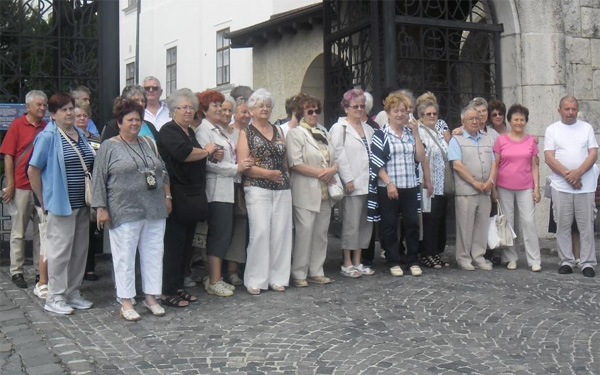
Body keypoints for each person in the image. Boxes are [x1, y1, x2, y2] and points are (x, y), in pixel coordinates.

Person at [92, 99, 170, 321]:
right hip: (124, 209)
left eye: (138, 119)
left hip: (154, 208)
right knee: (124, 256)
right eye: (130, 120)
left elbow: (162, 170)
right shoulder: (109, 146)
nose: (135, 123)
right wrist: (101, 207)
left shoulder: (147, 142)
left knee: (154, 254)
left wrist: (167, 195)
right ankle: (126, 301)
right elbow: (98, 178)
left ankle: (151, 297)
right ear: (119, 122)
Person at [28, 92, 95, 315]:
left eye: (70, 108)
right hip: (60, 204)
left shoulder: (79, 134)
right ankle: (55, 296)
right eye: (63, 109)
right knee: (59, 251)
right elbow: (33, 170)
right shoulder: (48, 137)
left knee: (79, 250)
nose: (69, 113)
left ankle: (73, 292)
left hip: (82, 203)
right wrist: (43, 200)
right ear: (53, 114)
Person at [157, 89, 219, 307]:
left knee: (186, 244)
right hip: (175, 194)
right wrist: (207, 151)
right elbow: (184, 154)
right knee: (173, 244)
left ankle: (179, 286)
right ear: (173, 110)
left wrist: (210, 153)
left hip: (191, 195)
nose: (188, 111)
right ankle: (166, 291)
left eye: (191, 107)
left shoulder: (189, 132)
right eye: (183, 107)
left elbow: (197, 154)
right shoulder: (168, 131)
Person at [196, 90, 252, 297]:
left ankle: (216, 277)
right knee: (218, 235)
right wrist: (237, 168)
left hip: (227, 189)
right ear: (204, 109)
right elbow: (210, 164)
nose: (220, 109)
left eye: (221, 105)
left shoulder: (219, 130)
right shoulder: (204, 130)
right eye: (215, 106)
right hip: (217, 190)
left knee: (223, 235)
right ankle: (214, 280)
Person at [236, 88, 292, 295]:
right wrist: (267, 174)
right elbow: (244, 165)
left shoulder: (278, 131)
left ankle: (278, 277)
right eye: (261, 105)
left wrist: (284, 177)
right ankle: (255, 279)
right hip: (257, 187)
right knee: (260, 232)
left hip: (282, 187)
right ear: (251, 109)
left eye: (268, 105)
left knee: (281, 233)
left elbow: (285, 160)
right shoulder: (246, 133)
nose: (265, 109)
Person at [368, 92, 426, 277]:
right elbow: (376, 162)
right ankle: (393, 260)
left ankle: (413, 260)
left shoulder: (411, 133)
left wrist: (416, 134)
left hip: (409, 185)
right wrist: (389, 183)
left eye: (403, 111)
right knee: (390, 225)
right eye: (396, 111)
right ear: (389, 113)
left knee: (411, 224)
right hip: (389, 186)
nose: (400, 114)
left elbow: (420, 157)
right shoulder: (380, 134)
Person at [544, 96, 598, 277]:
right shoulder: (552, 130)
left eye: (573, 109)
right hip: (561, 186)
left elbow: (593, 154)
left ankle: (587, 262)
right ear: (559, 110)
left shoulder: (586, 128)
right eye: (567, 109)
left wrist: (578, 173)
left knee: (586, 226)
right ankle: (566, 260)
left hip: (585, 185)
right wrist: (569, 176)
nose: (570, 112)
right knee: (563, 225)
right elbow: (549, 157)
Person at [287, 96, 338, 287]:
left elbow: (335, 157)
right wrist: (321, 173)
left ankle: (316, 270)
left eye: (317, 111)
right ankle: (299, 272)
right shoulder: (295, 133)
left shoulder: (322, 132)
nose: (314, 114)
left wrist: (332, 169)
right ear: (301, 113)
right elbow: (295, 163)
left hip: (325, 191)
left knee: (321, 233)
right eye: (310, 111)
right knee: (304, 232)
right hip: (305, 190)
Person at [0, 90, 46, 290]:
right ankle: (16, 271)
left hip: (42, 188)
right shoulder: (17, 125)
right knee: (18, 232)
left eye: (44, 105)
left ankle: (39, 271)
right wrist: (10, 184)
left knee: (41, 232)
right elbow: (8, 155)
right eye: (39, 105)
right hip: (21, 185)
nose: (43, 108)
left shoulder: (47, 127)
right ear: (28, 106)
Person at [330, 89, 375, 278]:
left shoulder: (368, 128)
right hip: (352, 182)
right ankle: (347, 262)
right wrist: (347, 178)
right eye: (355, 106)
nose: (359, 109)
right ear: (346, 108)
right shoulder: (340, 128)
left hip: (368, 182)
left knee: (365, 224)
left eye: (362, 106)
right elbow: (338, 154)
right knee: (351, 223)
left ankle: (358, 260)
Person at [448, 104, 497, 271]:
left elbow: (493, 162)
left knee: (481, 225)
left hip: (485, 189)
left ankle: (478, 256)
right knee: (465, 226)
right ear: (463, 121)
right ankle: (463, 257)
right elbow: (457, 165)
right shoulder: (456, 140)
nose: (475, 121)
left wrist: (490, 180)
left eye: (477, 118)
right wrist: (475, 182)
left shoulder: (487, 138)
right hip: (467, 191)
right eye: (471, 119)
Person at [493, 104, 541, 272]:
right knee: (508, 222)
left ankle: (534, 259)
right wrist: (494, 188)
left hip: (526, 187)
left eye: (522, 119)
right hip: (504, 186)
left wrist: (537, 188)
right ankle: (510, 257)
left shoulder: (531, 141)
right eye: (516, 119)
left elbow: (535, 166)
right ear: (510, 121)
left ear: (526, 121)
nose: (519, 122)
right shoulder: (501, 140)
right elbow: (496, 164)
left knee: (528, 222)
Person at [417, 97, 450, 268]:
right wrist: (427, 181)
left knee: (438, 220)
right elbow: (424, 158)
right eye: (428, 114)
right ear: (421, 116)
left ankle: (435, 252)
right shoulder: (421, 132)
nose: (432, 116)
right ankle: (426, 254)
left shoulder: (438, 132)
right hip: (428, 184)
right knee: (428, 220)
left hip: (441, 184)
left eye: (434, 113)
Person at [224, 96, 252, 286]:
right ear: (235, 113)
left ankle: (246, 267)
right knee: (235, 228)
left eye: (249, 111)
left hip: (253, 185)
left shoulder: (253, 131)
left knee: (248, 230)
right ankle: (231, 270)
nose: (247, 115)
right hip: (234, 185)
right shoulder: (230, 133)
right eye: (244, 111)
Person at [74, 101, 102, 282]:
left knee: (91, 230)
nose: (82, 118)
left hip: (92, 188)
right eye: (78, 116)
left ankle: (89, 266)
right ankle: (75, 268)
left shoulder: (96, 139)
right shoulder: (69, 138)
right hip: (76, 187)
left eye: (85, 115)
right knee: (75, 231)